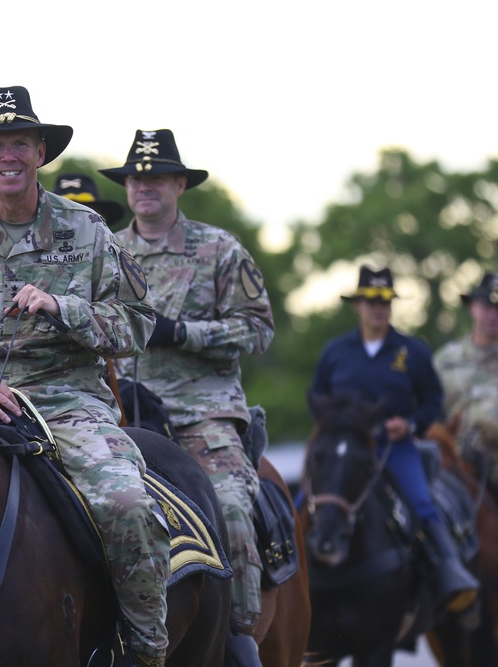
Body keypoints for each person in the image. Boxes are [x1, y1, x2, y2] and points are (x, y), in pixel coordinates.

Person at [0, 85, 170, 667]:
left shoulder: (88, 230)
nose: (8, 156)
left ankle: (146, 652)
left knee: (127, 506)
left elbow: (139, 325)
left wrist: (62, 308)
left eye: (19, 141)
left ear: (41, 150)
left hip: (69, 403)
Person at [99, 129, 273, 666]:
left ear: (179, 183)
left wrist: (188, 334)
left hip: (201, 412)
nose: (144, 186)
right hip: (120, 410)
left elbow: (259, 329)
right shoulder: (106, 251)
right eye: (135, 177)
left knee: (234, 507)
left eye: (155, 177)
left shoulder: (219, 249)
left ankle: (239, 636)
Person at [312, 265, 478, 614]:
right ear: (357, 304)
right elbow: (318, 397)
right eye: (371, 300)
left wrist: (412, 424)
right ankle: (289, 571)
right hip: (349, 446)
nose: (378, 307)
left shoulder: (413, 351)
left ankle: (450, 572)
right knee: (305, 500)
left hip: (394, 446)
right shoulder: (335, 351)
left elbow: (433, 401)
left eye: (385, 300)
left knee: (422, 503)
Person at [434, 273, 498, 461]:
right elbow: (427, 412)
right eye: (487, 307)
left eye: (497, 308)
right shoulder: (445, 360)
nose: (493, 315)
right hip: (456, 463)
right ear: (473, 307)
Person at [53, 171, 126, 227]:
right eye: (64, 212)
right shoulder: (42, 244)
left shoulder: (115, 245)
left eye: (84, 212)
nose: (75, 219)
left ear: (102, 217)